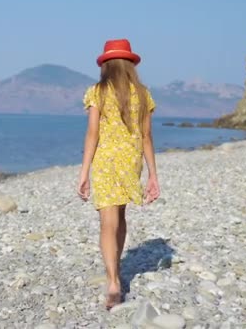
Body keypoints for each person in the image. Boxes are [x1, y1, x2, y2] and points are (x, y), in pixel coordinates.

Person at [77, 38, 160, 310]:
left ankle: (113, 279)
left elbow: (93, 133)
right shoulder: (143, 93)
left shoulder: (97, 92)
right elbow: (147, 136)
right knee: (120, 216)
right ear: (129, 64)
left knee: (107, 221)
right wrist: (152, 175)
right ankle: (117, 273)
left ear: (106, 64)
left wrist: (84, 172)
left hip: (105, 161)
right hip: (129, 162)